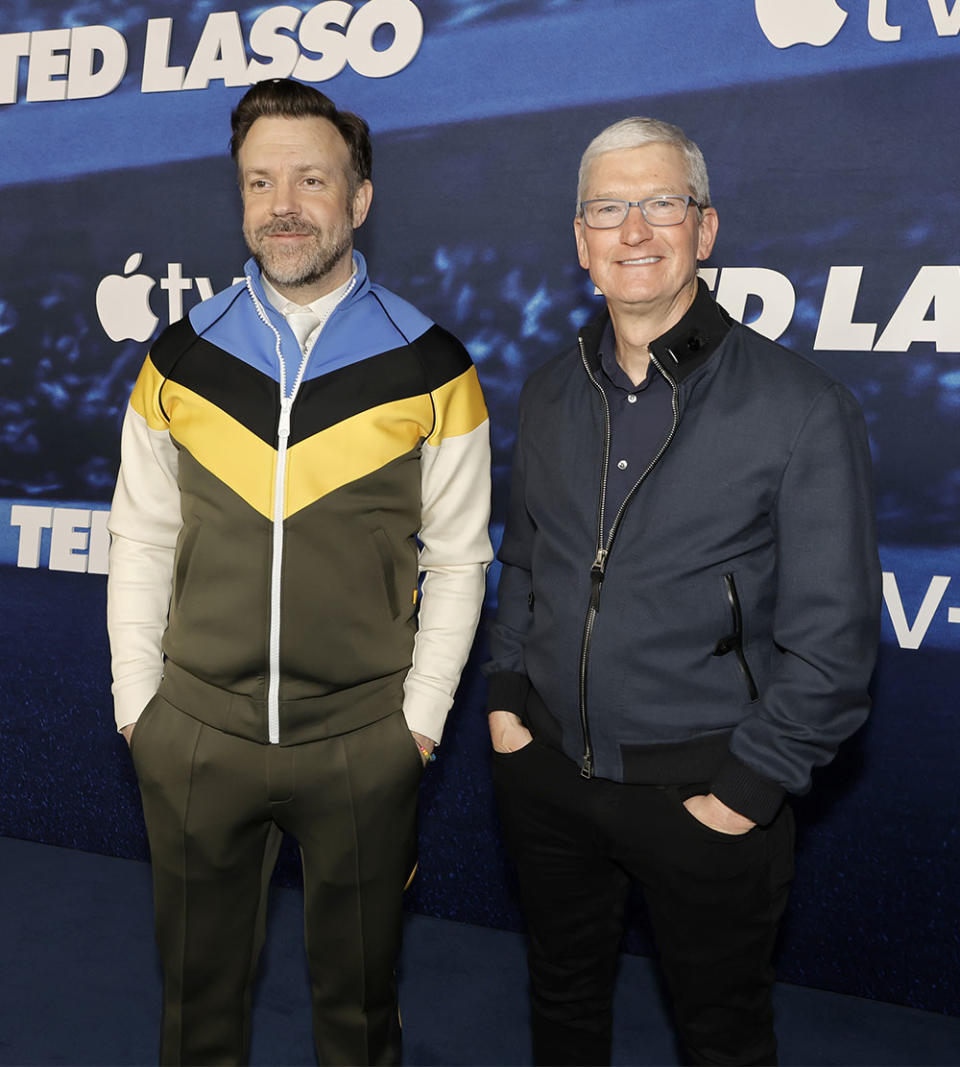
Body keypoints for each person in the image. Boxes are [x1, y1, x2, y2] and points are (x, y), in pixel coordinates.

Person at [107, 78, 492, 1066]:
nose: (284, 205)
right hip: (193, 738)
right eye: (261, 182)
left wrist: (416, 725)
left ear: (359, 198)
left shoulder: (434, 366)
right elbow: (142, 536)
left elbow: (458, 558)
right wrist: (140, 707)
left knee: (359, 1017)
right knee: (196, 1015)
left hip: (362, 747)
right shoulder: (178, 358)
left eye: (311, 179)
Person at [485, 117, 880, 1066]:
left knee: (722, 1038)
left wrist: (743, 792)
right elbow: (528, 561)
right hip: (546, 778)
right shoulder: (545, 392)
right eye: (609, 208)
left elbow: (835, 643)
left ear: (704, 228)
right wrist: (505, 700)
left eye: (661, 203)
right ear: (580, 241)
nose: (635, 230)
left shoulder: (801, 407)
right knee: (563, 1004)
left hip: (708, 791)